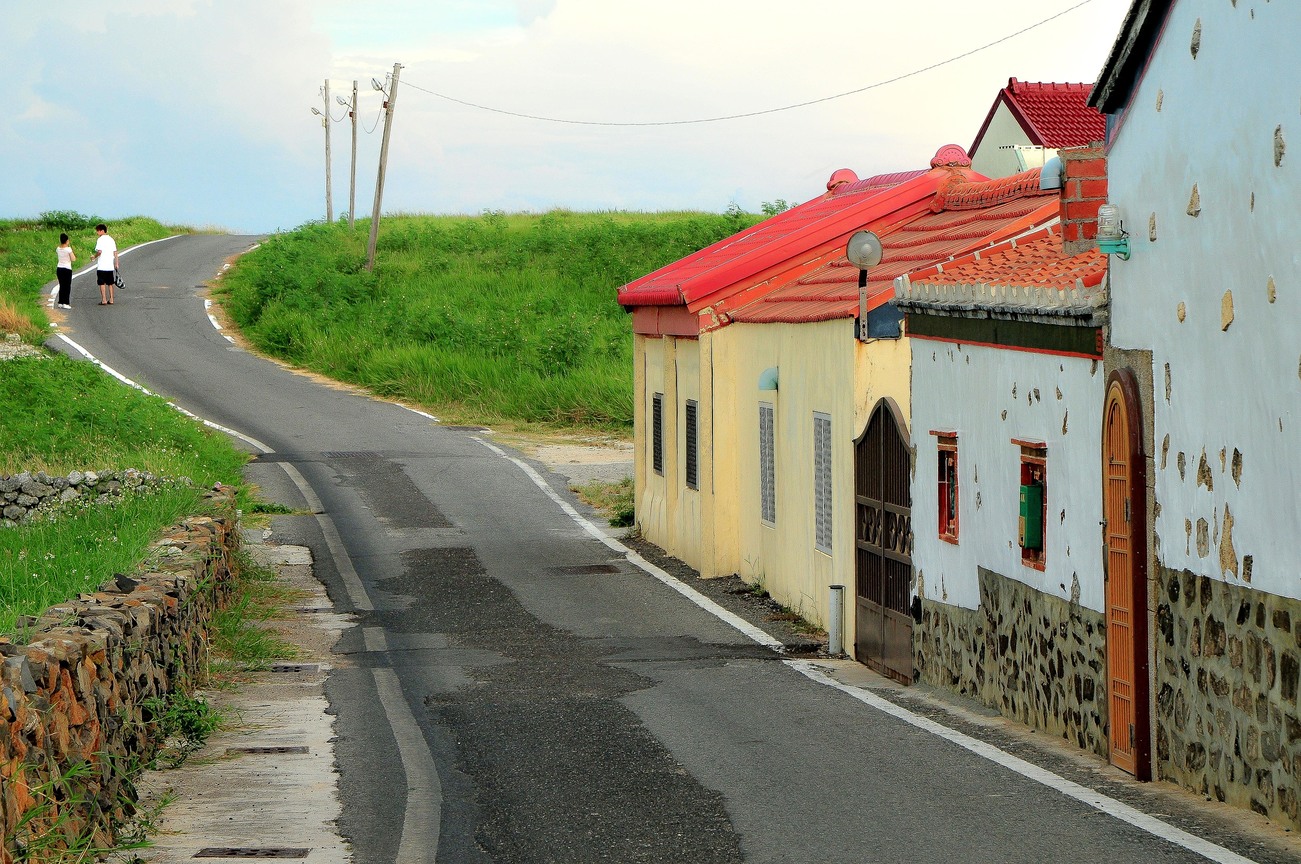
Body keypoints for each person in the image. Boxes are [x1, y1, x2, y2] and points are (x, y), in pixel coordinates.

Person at [92, 223, 118, 305]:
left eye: (98, 231)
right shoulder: (111, 239)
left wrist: (94, 257)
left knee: (101, 282)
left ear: (102, 231)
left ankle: (103, 299)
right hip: (110, 265)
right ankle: (111, 299)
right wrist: (116, 263)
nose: (97, 233)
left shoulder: (100, 240)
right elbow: (115, 252)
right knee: (110, 283)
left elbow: (99, 251)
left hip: (102, 265)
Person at [55, 233, 76, 308]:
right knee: (67, 286)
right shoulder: (68, 249)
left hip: (59, 268)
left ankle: (60, 302)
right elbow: (73, 259)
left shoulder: (58, 249)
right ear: (67, 241)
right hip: (67, 268)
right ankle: (66, 303)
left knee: (62, 285)